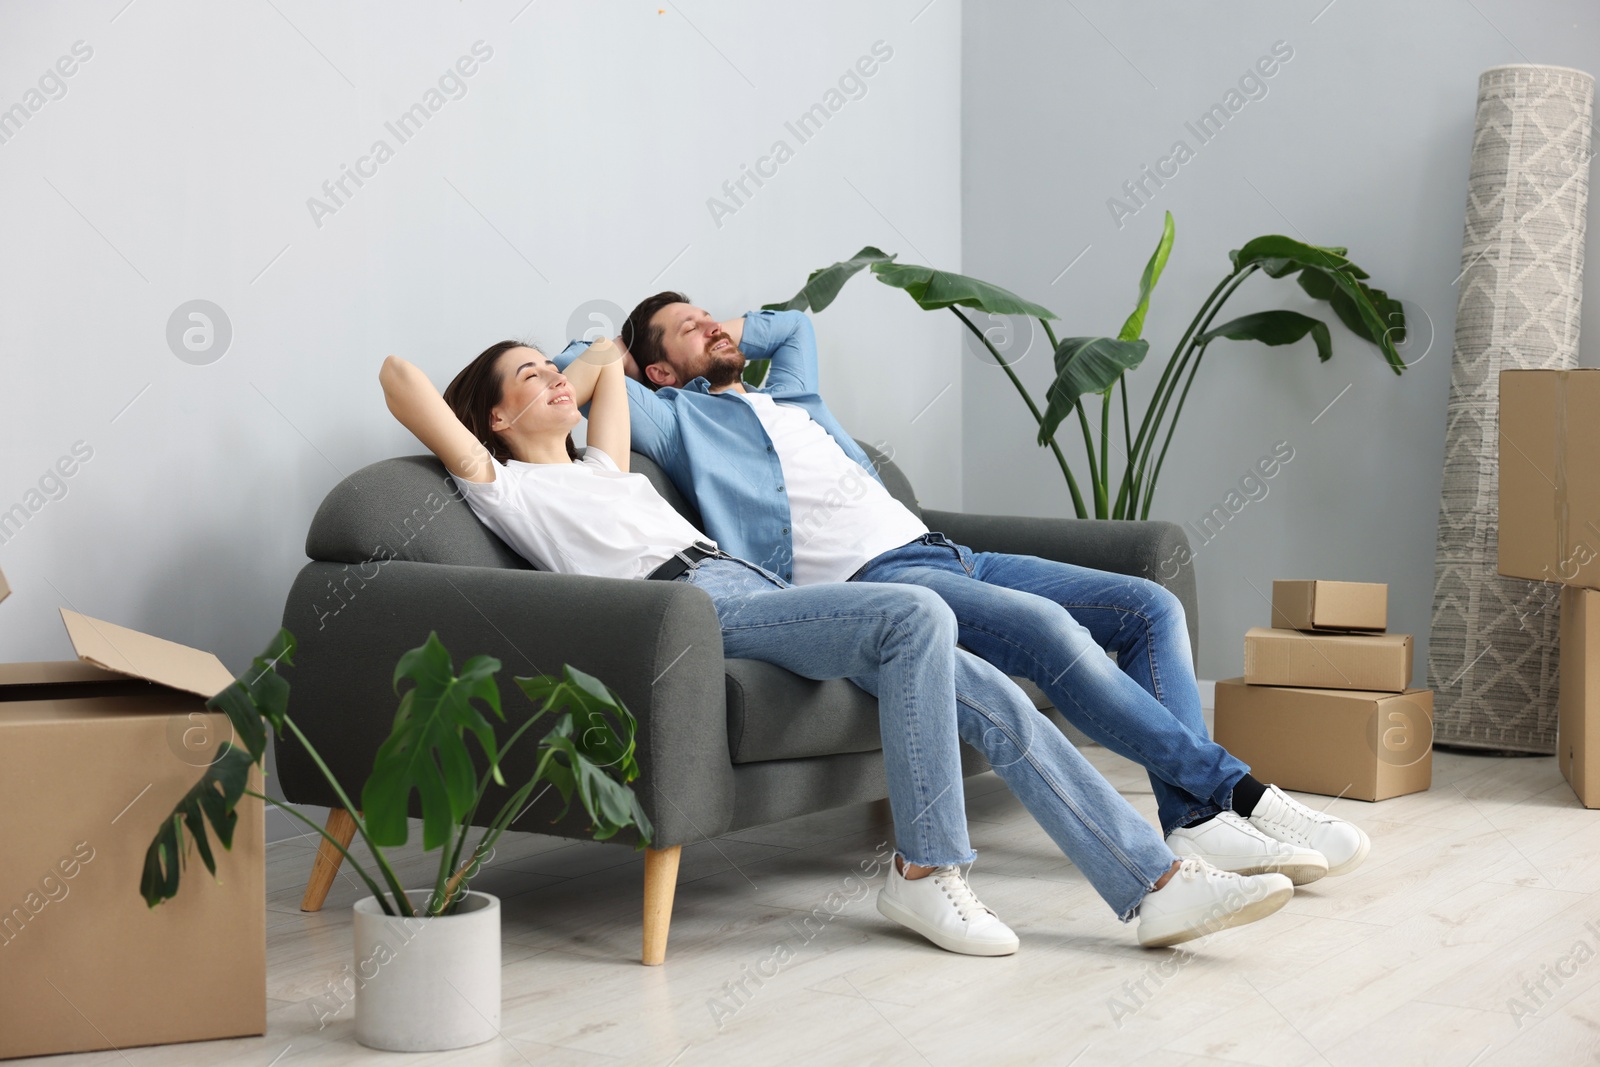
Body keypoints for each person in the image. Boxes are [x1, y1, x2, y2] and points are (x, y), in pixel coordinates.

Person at [379, 338, 1295, 955]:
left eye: (552, 370)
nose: (554, 383)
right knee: (915, 616)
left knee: (992, 691)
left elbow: (613, 362)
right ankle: (926, 868)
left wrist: (563, 377)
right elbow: (398, 377)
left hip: (754, 589)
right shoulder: (501, 486)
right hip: (682, 610)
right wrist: (500, 408)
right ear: (493, 419)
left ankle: (1152, 882)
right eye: (529, 380)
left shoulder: (599, 469)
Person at [552, 294, 1371, 883]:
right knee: (1048, 630)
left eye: (710, 315)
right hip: (880, 579)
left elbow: (796, 323)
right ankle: (1240, 793)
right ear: (660, 367)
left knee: (1147, 605)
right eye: (685, 330)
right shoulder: (673, 417)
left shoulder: (789, 395)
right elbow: (570, 384)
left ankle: (1192, 822)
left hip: (951, 552)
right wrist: (617, 358)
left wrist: (725, 328)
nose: (710, 325)